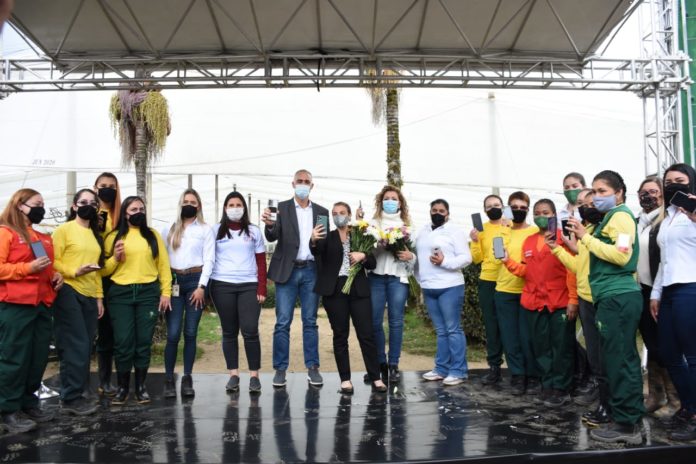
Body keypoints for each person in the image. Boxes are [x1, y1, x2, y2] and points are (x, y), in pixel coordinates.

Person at [568, 170, 644, 444]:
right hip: (611, 297)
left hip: (617, 297)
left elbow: (621, 257)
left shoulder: (621, 217)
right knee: (619, 358)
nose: (596, 197)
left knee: (619, 360)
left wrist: (585, 238)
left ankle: (627, 425)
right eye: (595, 191)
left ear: (619, 192)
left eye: (602, 191)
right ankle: (628, 418)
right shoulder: (612, 218)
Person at [503, 199, 578, 407]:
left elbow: (573, 270)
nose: (541, 216)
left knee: (561, 347)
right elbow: (526, 271)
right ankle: (548, 383)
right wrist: (507, 261)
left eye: (546, 212)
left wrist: (573, 299)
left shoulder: (564, 238)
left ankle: (561, 387)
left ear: (554, 215)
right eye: (537, 213)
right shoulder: (528, 241)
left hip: (560, 301)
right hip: (534, 301)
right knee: (541, 346)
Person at [0, 188, 63, 433]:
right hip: (16, 305)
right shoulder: (6, 233)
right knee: (14, 358)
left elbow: (45, 268)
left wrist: (56, 276)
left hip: (42, 304)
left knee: (37, 358)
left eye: (43, 203)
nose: (41, 208)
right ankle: (8, 410)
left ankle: (28, 403)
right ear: (20, 205)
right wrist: (27, 268)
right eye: (37, 203)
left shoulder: (40, 236)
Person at [310, 201, 387, 393]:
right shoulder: (327, 236)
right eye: (335, 213)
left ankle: (376, 377)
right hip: (334, 290)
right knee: (340, 335)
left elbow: (372, 263)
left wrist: (363, 256)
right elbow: (316, 251)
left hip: (359, 289)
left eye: (342, 212)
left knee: (366, 334)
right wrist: (313, 240)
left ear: (349, 214)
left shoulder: (360, 234)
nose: (338, 216)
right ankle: (345, 379)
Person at [262, 169, 329, 388]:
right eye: (299, 181)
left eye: (306, 181)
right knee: (282, 322)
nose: (302, 184)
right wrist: (269, 224)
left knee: (310, 321)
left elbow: (324, 244)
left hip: (311, 270)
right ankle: (280, 369)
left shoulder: (321, 212)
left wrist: (315, 241)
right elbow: (271, 236)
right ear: (293, 184)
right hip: (287, 271)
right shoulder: (281, 208)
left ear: (312, 185)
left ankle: (313, 367)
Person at [102, 196, 172, 405]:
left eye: (141, 209)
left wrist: (166, 292)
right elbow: (104, 270)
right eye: (133, 209)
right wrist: (115, 257)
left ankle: (141, 387)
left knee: (143, 342)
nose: (138, 212)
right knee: (123, 342)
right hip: (120, 294)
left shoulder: (153, 236)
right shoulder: (113, 237)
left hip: (147, 293)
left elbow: (163, 266)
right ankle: (123, 388)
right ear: (125, 213)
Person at [551, 189, 608, 424]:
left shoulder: (603, 228)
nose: (585, 207)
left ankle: (612, 405)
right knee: (595, 355)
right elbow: (578, 266)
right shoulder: (589, 230)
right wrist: (558, 248)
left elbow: (619, 257)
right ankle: (603, 402)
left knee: (607, 354)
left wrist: (584, 238)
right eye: (581, 204)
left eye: (590, 202)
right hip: (586, 297)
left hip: (602, 298)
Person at [650, 163, 696, 441]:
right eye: (668, 182)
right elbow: (664, 261)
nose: (673, 185)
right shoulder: (666, 218)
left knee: (693, 355)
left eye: (680, 180)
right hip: (668, 290)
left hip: (691, 287)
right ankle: (689, 407)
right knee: (669, 354)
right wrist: (656, 293)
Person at [52, 189, 104, 416]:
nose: (88, 206)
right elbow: (52, 261)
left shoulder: (94, 234)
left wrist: (99, 297)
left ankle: (80, 390)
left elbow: (97, 268)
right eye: (83, 202)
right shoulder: (63, 230)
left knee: (86, 345)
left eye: (93, 203)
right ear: (74, 206)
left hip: (90, 294)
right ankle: (70, 398)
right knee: (75, 344)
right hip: (69, 290)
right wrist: (74, 271)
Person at [210, 192, 267, 393]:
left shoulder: (254, 231)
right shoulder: (215, 231)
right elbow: (208, 258)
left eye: (238, 204)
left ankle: (254, 376)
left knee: (250, 330)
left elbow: (261, 261)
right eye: (231, 205)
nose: (235, 208)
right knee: (229, 331)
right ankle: (233, 375)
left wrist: (262, 287)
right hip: (222, 285)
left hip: (249, 285)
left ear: (244, 208)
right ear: (225, 208)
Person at [161, 189, 215, 399]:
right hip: (174, 281)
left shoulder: (205, 230)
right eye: (185, 201)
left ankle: (187, 378)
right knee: (173, 333)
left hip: (195, 281)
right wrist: (164, 289)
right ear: (180, 203)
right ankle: (168, 379)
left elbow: (209, 259)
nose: (189, 205)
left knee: (190, 333)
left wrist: (202, 287)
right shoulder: (169, 228)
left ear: (198, 206)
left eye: (193, 202)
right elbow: (162, 259)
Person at [359, 185, 416, 383]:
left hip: (397, 278)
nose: (390, 201)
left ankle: (393, 364)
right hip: (375, 277)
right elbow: (365, 250)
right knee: (375, 322)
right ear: (381, 202)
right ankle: (379, 364)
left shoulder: (407, 226)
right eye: (386, 198)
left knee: (396, 322)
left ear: (400, 203)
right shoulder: (372, 224)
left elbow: (415, 254)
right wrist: (373, 241)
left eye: (394, 199)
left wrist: (410, 256)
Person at [416, 199, 472, 386]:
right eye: (434, 210)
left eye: (441, 210)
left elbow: (466, 258)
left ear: (448, 214)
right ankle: (441, 369)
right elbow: (419, 258)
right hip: (429, 287)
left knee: (453, 329)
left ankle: (458, 371)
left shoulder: (454, 231)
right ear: (430, 211)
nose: (437, 213)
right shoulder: (423, 231)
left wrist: (444, 262)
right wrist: (420, 279)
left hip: (450, 286)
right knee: (441, 331)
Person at [636, 176, 678, 417]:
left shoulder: (665, 222)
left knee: (664, 345)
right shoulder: (637, 222)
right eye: (644, 192)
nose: (648, 196)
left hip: (659, 291)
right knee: (651, 343)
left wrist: (658, 292)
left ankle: (675, 398)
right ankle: (655, 394)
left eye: (653, 191)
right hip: (641, 290)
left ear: (662, 194)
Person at [493, 191, 538, 396]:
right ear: (507, 209)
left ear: (528, 210)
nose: (519, 211)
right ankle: (518, 374)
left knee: (528, 336)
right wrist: (504, 229)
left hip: (529, 289)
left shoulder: (534, 231)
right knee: (510, 336)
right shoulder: (501, 231)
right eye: (514, 207)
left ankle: (533, 374)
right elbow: (497, 254)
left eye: (523, 208)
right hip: (504, 290)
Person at [469, 194, 509, 385]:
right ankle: (494, 366)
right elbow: (477, 258)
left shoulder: (510, 225)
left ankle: (518, 367)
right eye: (489, 206)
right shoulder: (481, 230)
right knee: (492, 325)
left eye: (497, 204)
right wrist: (475, 241)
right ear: (484, 210)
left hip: (510, 279)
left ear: (503, 206)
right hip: (488, 281)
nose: (493, 208)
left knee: (509, 325)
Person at [93, 172, 122, 396]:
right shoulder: (90, 214)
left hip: (116, 278)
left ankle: (109, 380)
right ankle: (96, 381)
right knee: (96, 332)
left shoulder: (120, 216)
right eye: (103, 185)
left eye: (112, 186)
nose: (107, 189)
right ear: (95, 188)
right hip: (92, 276)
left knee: (111, 332)